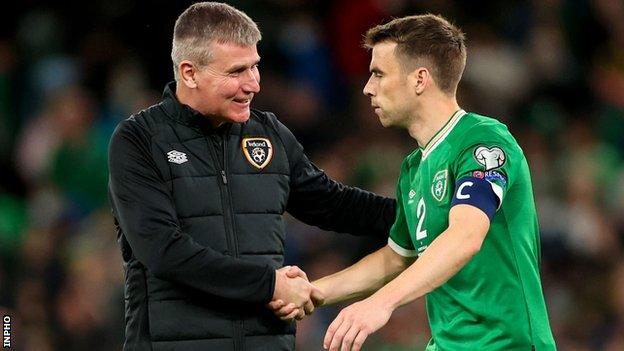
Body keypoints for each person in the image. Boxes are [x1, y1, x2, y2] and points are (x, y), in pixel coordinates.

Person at [107, 2, 395, 350]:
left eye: (255, 67)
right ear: (189, 73)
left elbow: (333, 203)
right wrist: (269, 285)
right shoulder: (139, 140)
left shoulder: (269, 134)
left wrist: (419, 212)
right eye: (236, 72)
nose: (253, 84)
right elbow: (163, 250)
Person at [271, 14, 557, 351]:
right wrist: (314, 292)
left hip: (509, 345)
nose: (367, 87)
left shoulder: (483, 141)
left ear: (419, 79)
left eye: (378, 74)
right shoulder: (414, 168)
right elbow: (395, 258)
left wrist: (381, 303)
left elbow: (465, 237)